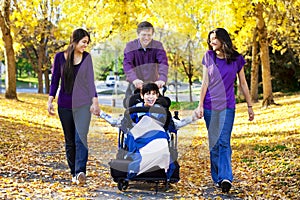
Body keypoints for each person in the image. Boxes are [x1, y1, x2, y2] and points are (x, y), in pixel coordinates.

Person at [194, 28, 255, 193]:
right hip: (209, 106)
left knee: (223, 141)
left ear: (223, 39)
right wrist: (200, 105)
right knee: (214, 144)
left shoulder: (237, 59)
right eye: (210, 39)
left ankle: (226, 177)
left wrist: (250, 106)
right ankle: (218, 178)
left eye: (215, 38)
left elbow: (243, 83)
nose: (212, 41)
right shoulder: (209, 56)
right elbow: (205, 82)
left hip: (227, 106)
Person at [47, 28, 100, 186]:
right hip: (64, 105)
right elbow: (55, 80)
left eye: (87, 43)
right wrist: (50, 100)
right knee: (70, 141)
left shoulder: (87, 58)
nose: (85, 45)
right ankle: (73, 173)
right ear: (75, 40)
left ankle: (80, 172)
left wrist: (95, 101)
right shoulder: (59, 58)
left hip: (83, 105)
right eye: (84, 42)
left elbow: (90, 81)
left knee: (80, 139)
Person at [100, 82, 197, 129]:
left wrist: (194, 117)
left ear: (157, 96)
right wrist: (100, 113)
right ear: (142, 96)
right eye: (147, 94)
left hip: (158, 140)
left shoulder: (162, 111)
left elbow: (176, 124)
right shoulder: (134, 110)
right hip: (138, 140)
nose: (150, 97)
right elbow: (117, 122)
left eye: (153, 94)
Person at [123, 21, 169, 98]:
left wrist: (162, 79)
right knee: (131, 106)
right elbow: (127, 64)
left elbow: (163, 63)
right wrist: (134, 79)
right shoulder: (130, 46)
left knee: (161, 106)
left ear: (152, 35)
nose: (146, 38)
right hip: (135, 85)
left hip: (153, 85)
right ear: (138, 34)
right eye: (144, 35)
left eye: (149, 35)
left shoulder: (158, 46)